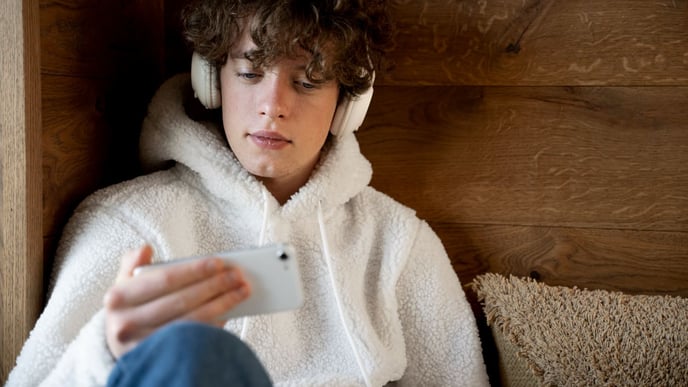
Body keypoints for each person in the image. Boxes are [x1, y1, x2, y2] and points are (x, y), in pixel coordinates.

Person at [7, 0, 490, 386]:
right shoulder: (127, 225)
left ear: (348, 104)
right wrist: (105, 354)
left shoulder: (399, 244)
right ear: (211, 79)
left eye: (306, 81)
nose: (272, 108)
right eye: (250, 73)